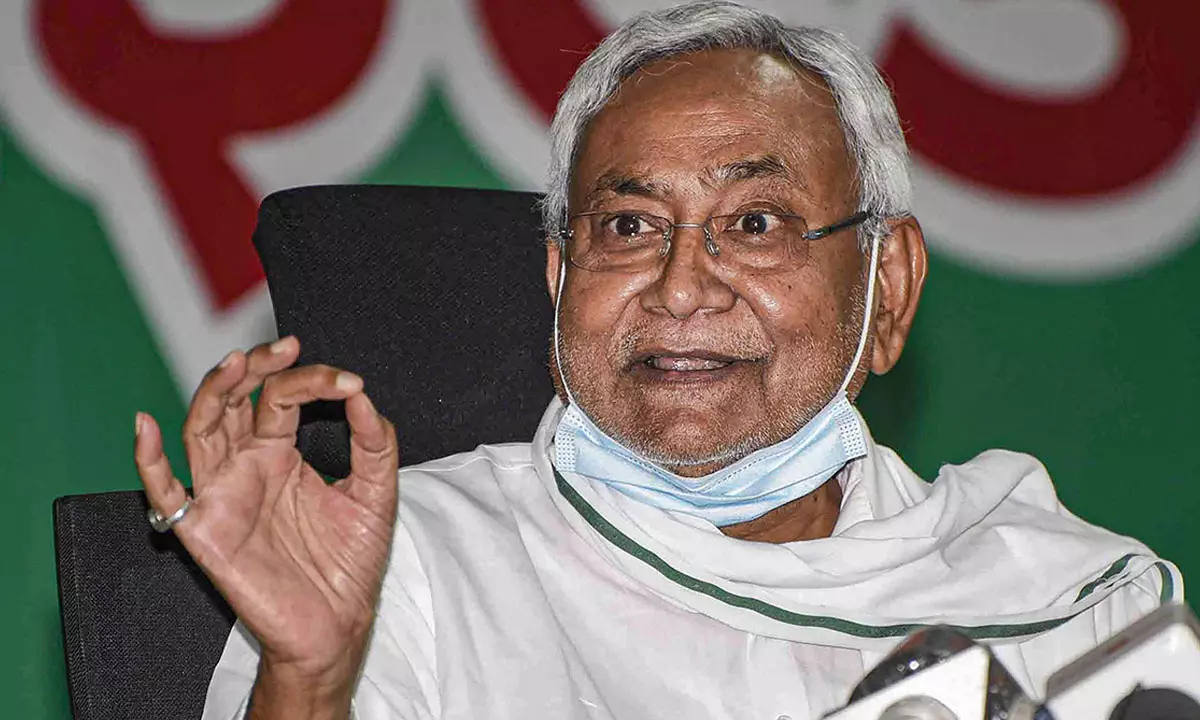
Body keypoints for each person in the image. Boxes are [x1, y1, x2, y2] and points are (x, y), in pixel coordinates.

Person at [134, 3, 1181, 719]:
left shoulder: (1062, 600)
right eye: (629, 227)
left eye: (756, 222)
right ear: (560, 281)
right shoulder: (408, 566)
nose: (682, 289)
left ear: (888, 287)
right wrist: (311, 683)